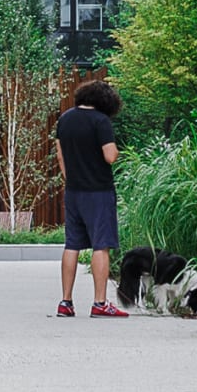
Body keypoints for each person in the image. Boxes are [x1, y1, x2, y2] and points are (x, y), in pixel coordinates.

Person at [54, 79, 126, 318]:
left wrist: (72, 179)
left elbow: (61, 157)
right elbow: (110, 156)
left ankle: (65, 302)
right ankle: (99, 303)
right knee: (101, 244)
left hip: (73, 191)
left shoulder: (64, 119)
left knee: (72, 244)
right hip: (99, 191)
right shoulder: (101, 121)